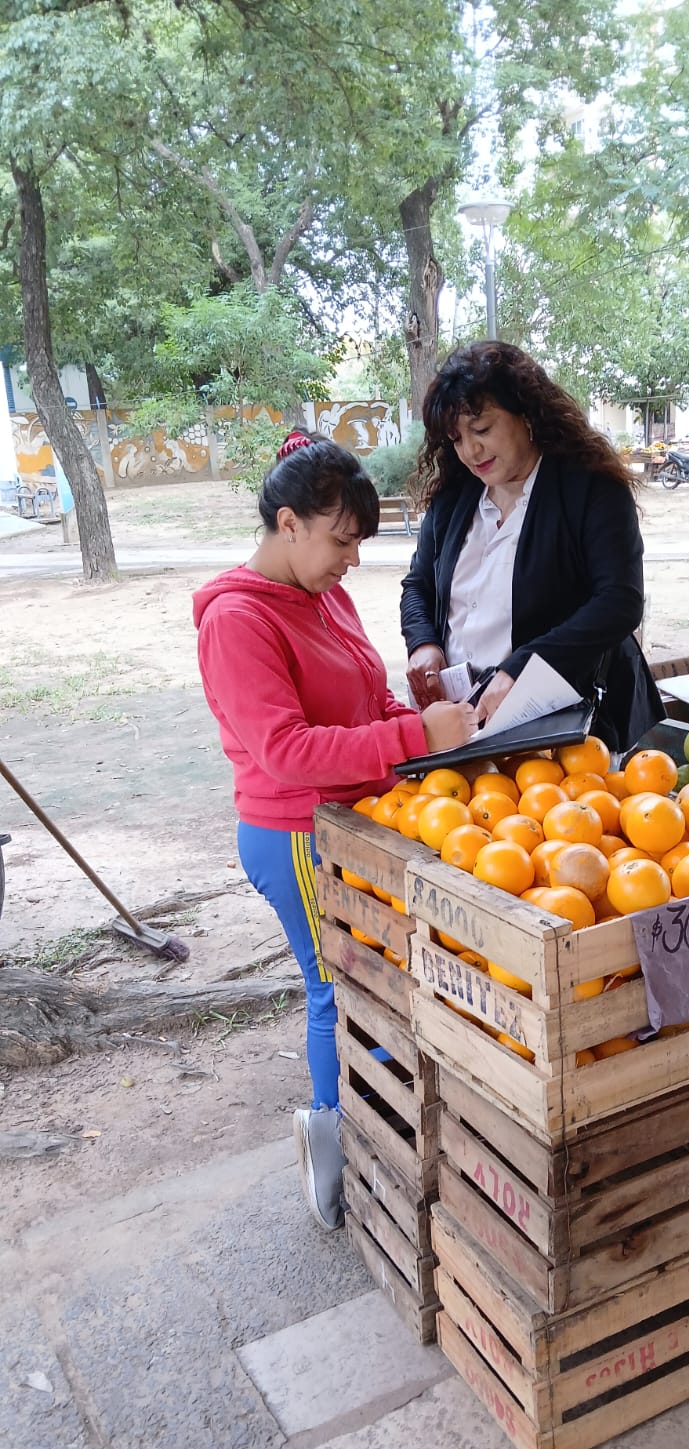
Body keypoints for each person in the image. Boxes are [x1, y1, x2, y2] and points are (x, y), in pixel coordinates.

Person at [194, 433, 475, 1229]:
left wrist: (421, 720)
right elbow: (284, 753)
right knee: (337, 986)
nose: (351, 560)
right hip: (294, 831)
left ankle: (378, 1118)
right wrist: (417, 741)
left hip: (358, 820)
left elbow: (368, 698)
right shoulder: (238, 620)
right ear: (289, 524)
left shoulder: (327, 597)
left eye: (358, 542)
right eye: (340, 540)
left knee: (381, 976)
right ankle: (333, 1136)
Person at [400, 341, 663, 750]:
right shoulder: (453, 499)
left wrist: (524, 667)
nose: (471, 451)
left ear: (526, 413)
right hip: (468, 721)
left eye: (482, 429)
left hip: (570, 726)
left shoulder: (591, 489)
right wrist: (424, 643)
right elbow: (418, 584)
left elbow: (619, 600)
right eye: (456, 439)